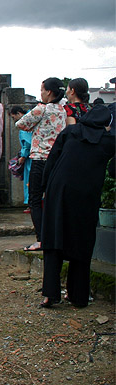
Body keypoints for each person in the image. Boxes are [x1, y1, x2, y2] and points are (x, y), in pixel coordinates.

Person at [39, 105, 115, 308]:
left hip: (59, 190)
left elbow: (52, 159)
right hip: (86, 195)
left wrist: (45, 187)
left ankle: (50, 294)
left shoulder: (70, 132)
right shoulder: (108, 141)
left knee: (54, 238)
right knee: (82, 240)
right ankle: (78, 296)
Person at [16, 77, 67, 251]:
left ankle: (41, 239)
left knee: (35, 200)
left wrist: (34, 127)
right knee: (53, 200)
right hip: (58, 160)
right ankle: (56, 237)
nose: (41, 93)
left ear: (49, 92)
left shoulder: (41, 109)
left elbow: (20, 123)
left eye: (42, 90)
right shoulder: (65, 109)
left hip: (40, 159)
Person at [9, 107, 32, 210]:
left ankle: (31, 203)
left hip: (29, 156)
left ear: (18, 114)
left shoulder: (25, 124)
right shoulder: (32, 118)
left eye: (14, 118)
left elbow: (27, 143)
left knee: (29, 180)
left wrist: (23, 156)